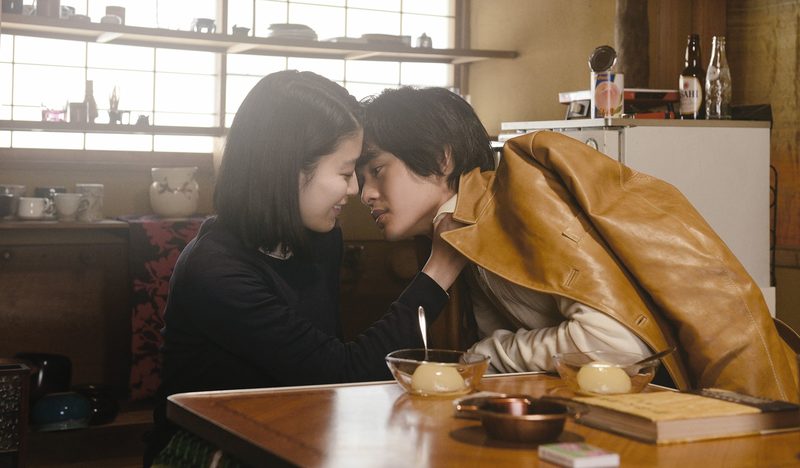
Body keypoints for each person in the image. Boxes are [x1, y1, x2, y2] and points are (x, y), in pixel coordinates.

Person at [357, 86, 799, 402]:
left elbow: (616, 345)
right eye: (359, 177)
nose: (365, 194)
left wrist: (483, 355)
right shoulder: (455, 237)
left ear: (441, 158)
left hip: (687, 405)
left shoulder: (521, 196)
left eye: (377, 170)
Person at [144, 72, 466, 465]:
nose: (354, 191)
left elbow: (327, 380)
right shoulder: (215, 271)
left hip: (295, 429)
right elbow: (341, 375)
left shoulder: (319, 237)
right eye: (345, 173)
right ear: (290, 170)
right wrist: (439, 270)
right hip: (211, 449)